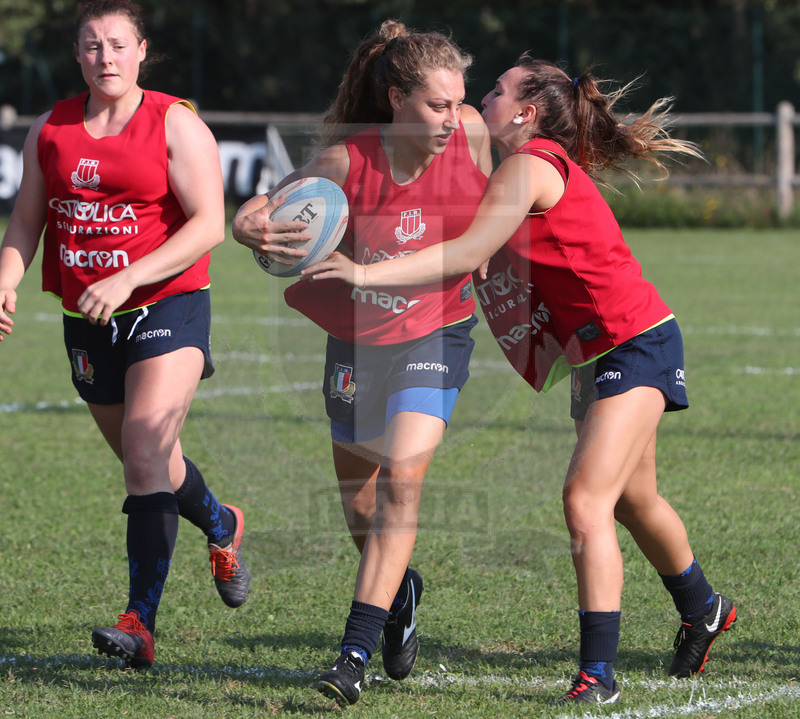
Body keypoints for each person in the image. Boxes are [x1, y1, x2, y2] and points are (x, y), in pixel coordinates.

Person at [302, 55, 737, 705]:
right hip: (600, 350)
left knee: (585, 499)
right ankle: (703, 606)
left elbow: (467, 252)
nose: (483, 98)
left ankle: (598, 675)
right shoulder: (513, 162)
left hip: (635, 342)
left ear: (526, 112)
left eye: (497, 90)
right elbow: (454, 146)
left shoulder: (532, 167)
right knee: (632, 498)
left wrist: (364, 275)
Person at [232, 20, 491, 706]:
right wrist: (246, 222)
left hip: (437, 333)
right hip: (357, 340)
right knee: (360, 501)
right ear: (396, 97)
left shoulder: (471, 133)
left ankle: (350, 655)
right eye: (436, 104)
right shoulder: (351, 161)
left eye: (457, 101)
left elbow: (503, 198)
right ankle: (400, 587)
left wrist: (495, 238)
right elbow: (271, 204)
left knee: (403, 480)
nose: (451, 116)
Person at [0, 0, 250, 669]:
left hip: (169, 303)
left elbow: (207, 224)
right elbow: (27, 220)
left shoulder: (176, 123)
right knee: (150, 463)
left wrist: (128, 276)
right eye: (90, 45)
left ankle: (139, 620)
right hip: (87, 320)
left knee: (143, 443)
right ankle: (221, 523)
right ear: (77, 55)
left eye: (117, 43)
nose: (104, 57)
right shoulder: (50, 129)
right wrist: (6, 275)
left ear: (142, 51)